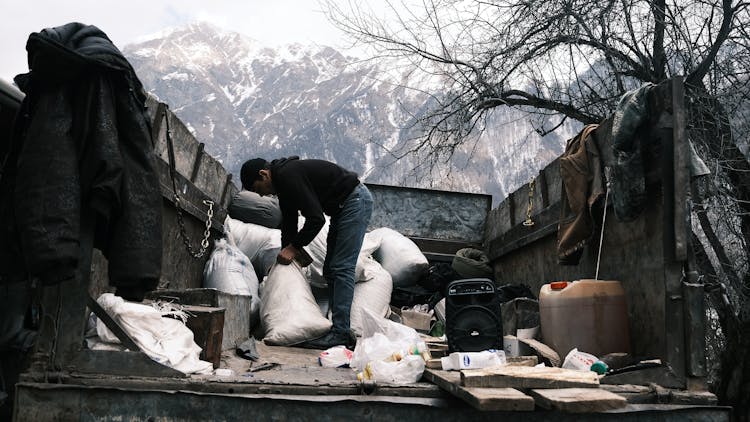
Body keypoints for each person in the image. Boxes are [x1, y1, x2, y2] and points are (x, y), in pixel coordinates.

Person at [240, 156, 373, 349]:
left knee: (341, 267)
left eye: (258, 189)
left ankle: (340, 333)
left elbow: (316, 219)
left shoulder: (287, 175)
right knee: (330, 270)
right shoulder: (282, 184)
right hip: (342, 208)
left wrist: (293, 248)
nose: (262, 195)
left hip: (354, 201)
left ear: (263, 175)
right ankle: (339, 329)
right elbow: (289, 222)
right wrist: (286, 253)